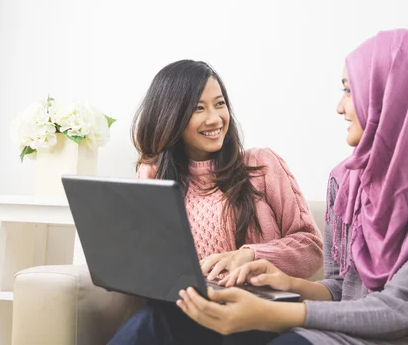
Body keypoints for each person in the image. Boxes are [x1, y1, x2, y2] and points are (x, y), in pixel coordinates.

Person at [176, 29, 408, 344]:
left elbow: (402, 308)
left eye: (350, 90)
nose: (339, 107)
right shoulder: (347, 181)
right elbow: (346, 287)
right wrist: (291, 285)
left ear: (396, 96)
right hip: (360, 334)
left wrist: (271, 313)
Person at [107, 60, 323, 344]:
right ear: (171, 116)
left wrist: (250, 255)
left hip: (260, 311)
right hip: (188, 311)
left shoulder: (261, 165)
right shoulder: (154, 176)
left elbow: (312, 246)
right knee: (151, 319)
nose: (215, 118)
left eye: (219, 104)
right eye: (199, 108)